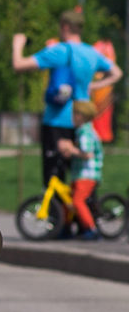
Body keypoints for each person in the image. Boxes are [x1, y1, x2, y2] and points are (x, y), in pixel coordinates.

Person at [13, 10, 122, 188]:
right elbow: (117, 73)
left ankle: (58, 213)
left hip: (57, 120)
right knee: (79, 176)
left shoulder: (59, 51)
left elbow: (19, 65)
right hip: (82, 120)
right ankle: (82, 211)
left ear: (64, 26)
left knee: (54, 177)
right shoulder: (91, 53)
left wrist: (17, 45)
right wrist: (94, 86)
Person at [55, 99, 105, 240]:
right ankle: (66, 227)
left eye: (73, 114)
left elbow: (87, 153)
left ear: (80, 116)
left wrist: (71, 149)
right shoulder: (81, 131)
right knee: (68, 201)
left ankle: (92, 229)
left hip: (87, 174)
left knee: (77, 201)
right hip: (79, 174)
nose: (71, 117)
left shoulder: (86, 131)